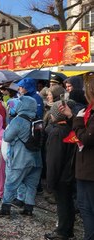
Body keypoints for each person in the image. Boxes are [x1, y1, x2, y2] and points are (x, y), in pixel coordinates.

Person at [60, 72, 94, 240]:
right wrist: (72, 116)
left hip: (89, 169)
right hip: (85, 168)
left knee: (87, 207)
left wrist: (77, 120)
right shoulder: (88, 110)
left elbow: (87, 138)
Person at [0, 96, 42, 216]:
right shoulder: (37, 120)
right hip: (36, 159)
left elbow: (7, 137)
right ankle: (28, 209)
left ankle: (5, 208)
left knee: (11, 183)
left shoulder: (19, 120)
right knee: (31, 185)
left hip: (20, 159)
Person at [44, 101, 76, 240]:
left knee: (63, 204)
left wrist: (50, 181)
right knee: (68, 203)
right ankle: (68, 230)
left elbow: (54, 160)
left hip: (61, 176)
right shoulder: (68, 129)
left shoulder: (57, 132)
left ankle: (62, 232)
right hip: (68, 174)